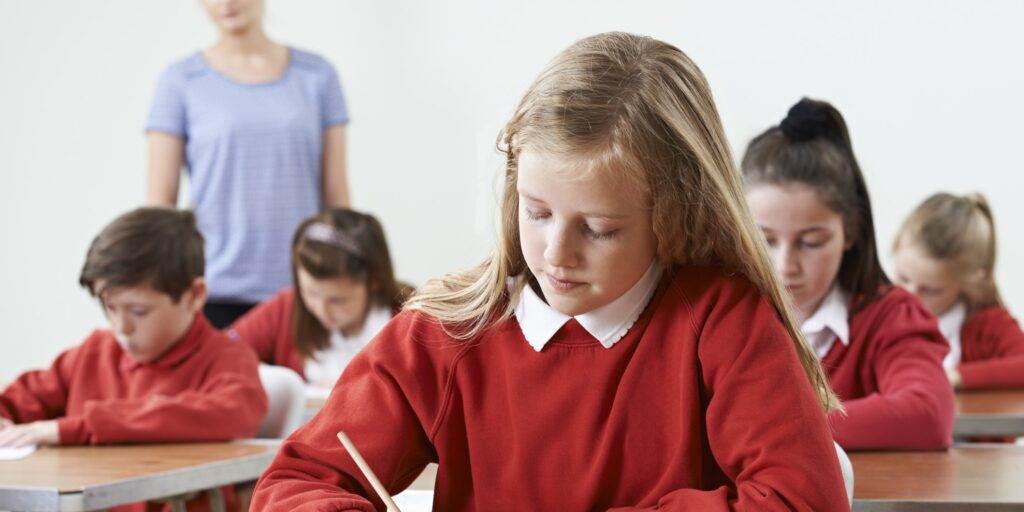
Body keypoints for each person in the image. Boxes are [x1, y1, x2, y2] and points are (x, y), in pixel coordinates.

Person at [250, 32, 848, 511]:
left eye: (600, 229)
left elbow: (802, 499)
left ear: (674, 214)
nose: (557, 253)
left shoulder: (723, 320)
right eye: (536, 213)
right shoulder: (448, 333)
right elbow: (295, 484)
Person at [0, 207, 267, 512]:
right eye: (110, 307)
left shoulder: (228, 359)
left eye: (139, 311)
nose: (121, 327)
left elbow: (228, 412)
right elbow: (22, 397)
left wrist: (78, 428)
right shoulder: (94, 351)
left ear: (195, 295)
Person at [743, 98, 954, 450]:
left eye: (811, 242)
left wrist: (778, 430)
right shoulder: (719, 313)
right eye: (765, 240)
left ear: (851, 232)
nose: (784, 266)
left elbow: (928, 415)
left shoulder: (891, 316)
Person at [146, 0, 351, 328]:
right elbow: (160, 209)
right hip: (213, 290)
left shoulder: (317, 74)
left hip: (307, 292)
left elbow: (337, 196)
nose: (226, 3)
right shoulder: (180, 80)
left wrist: (345, 281)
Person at [228, 208, 409, 392]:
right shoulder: (286, 307)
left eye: (337, 300)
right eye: (310, 293)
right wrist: (274, 379)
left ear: (374, 282)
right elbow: (223, 353)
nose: (322, 311)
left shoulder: (409, 320)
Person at [893, 192, 1024, 389]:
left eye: (930, 290)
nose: (910, 295)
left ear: (967, 283)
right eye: (903, 278)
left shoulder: (987, 325)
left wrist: (954, 376)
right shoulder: (874, 313)